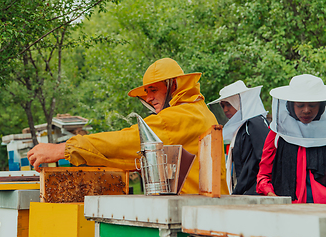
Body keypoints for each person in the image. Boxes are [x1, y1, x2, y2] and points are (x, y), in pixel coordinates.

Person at [27, 58, 229, 195]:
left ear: (173, 86)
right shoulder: (199, 110)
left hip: (194, 217)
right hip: (203, 209)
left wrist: (63, 149)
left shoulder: (179, 116)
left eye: (154, 90)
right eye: (146, 92)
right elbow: (134, 157)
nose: (149, 98)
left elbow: (127, 141)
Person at [256, 74, 326, 203]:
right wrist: (270, 194)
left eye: (312, 105)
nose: (306, 110)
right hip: (289, 209)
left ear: (321, 106)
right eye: (300, 105)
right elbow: (264, 175)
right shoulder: (277, 133)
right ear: (291, 105)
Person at [208, 80, 269, 195]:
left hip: (256, 193)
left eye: (229, 104)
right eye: (222, 105)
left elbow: (265, 160)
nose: (225, 110)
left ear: (241, 102)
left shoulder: (255, 123)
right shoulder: (242, 127)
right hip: (245, 192)